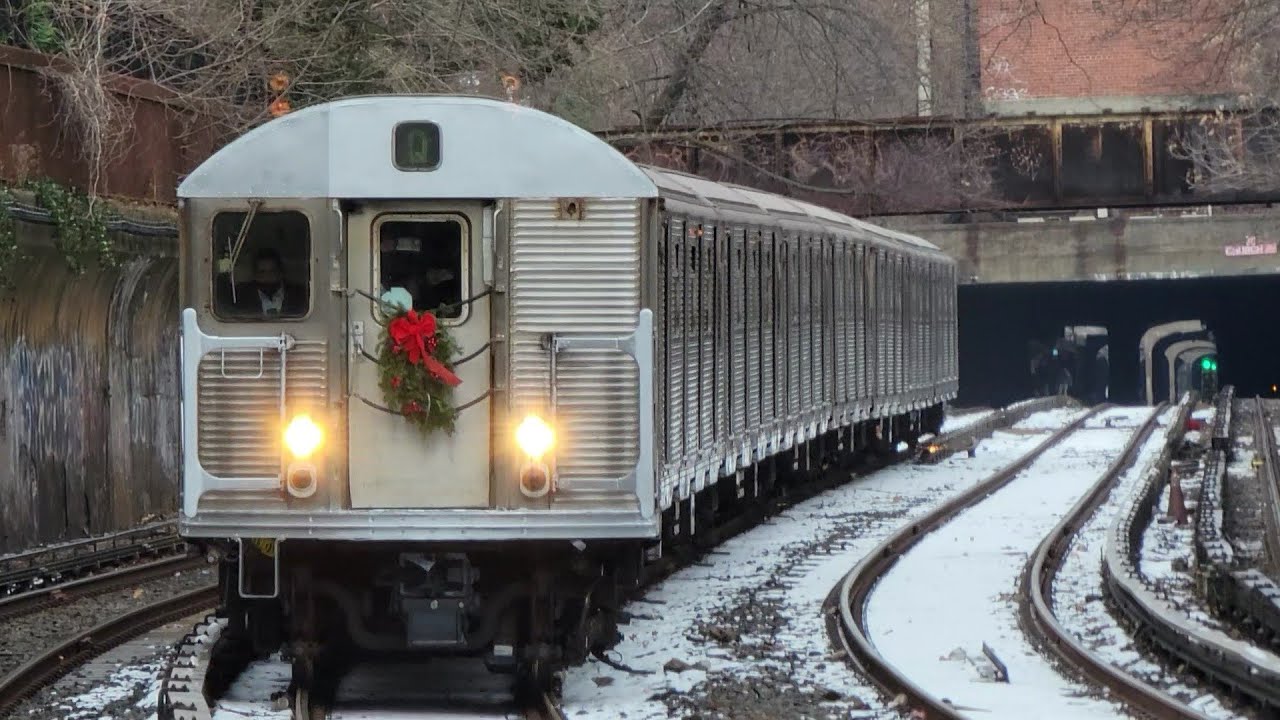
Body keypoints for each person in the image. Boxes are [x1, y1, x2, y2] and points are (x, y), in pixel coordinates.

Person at [245, 248, 306, 318]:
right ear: (255, 275)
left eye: (272, 271)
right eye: (262, 272)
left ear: (280, 273)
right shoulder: (243, 298)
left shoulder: (300, 296)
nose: (267, 276)